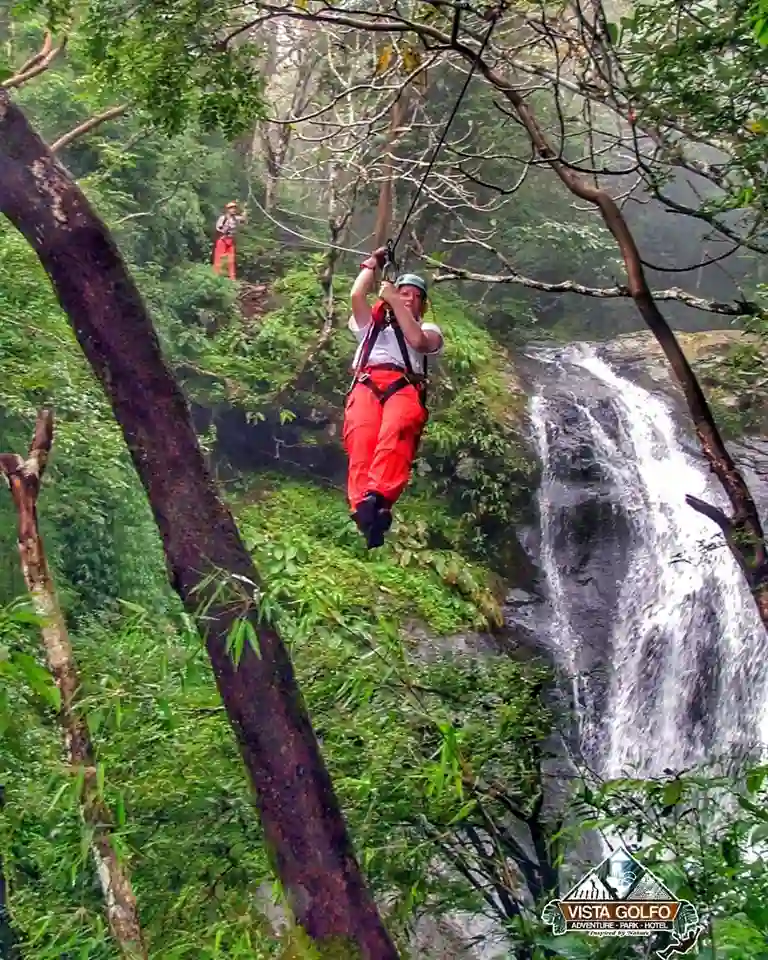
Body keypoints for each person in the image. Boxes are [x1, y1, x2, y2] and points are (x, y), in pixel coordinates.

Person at [344, 246, 444, 549]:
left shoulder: (428, 328)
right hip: (366, 383)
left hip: (403, 386)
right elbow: (356, 296)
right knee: (361, 439)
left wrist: (392, 300)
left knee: (395, 433)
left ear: (423, 306)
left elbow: (417, 341)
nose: (408, 297)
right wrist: (372, 263)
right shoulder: (371, 326)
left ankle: (380, 496)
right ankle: (364, 509)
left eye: (415, 296)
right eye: (404, 292)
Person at [213, 201, 246, 280]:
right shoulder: (223, 218)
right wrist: (225, 230)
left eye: (234, 208)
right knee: (219, 259)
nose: (233, 210)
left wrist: (245, 209)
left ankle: (232, 279)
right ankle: (216, 277)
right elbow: (218, 228)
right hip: (223, 240)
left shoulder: (236, 218)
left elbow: (244, 219)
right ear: (227, 209)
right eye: (231, 208)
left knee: (231, 260)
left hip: (230, 241)